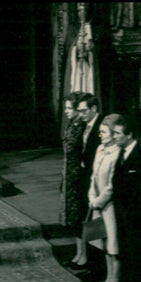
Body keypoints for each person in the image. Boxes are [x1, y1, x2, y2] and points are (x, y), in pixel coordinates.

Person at [111, 115, 141, 282]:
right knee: (126, 252)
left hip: (136, 214)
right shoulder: (122, 152)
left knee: (138, 257)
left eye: (118, 134)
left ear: (129, 135)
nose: (114, 137)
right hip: (122, 212)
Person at [87, 114, 122, 282]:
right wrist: (92, 197)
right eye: (100, 132)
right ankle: (108, 276)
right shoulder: (100, 149)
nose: (101, 136)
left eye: (104, 132)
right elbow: (94, 176)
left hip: (109, 205)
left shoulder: (117, 152)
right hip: (97, 203)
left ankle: (115, 279)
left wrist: (100, 200)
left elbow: (112, 184)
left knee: (113, 243)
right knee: (104, 240)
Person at [69, 94, 103, 272]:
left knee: (93, 221)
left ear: (94, 109)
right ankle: (85, 257)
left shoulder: (101, 127)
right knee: (83, 216)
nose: (80, 113)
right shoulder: (84, 126)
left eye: (84, 110)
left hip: (96, 179)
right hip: (84, 177)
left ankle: (95, 264)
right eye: (79, 110)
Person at [60, 92, 88, 265]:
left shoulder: (82, 127)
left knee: (80, 216)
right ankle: (79, 253)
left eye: (69, 108)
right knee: (74, 218)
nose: (66, 111)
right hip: (69, 174)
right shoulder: (72, 124)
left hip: (78, 176)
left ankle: (84, 255)